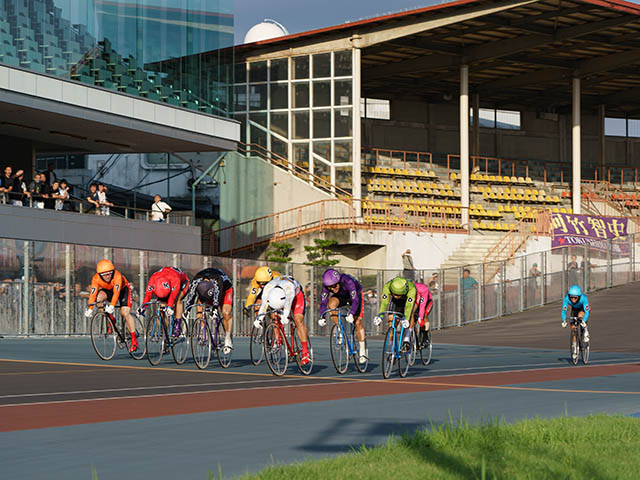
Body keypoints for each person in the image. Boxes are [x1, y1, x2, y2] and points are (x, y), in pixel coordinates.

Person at [85, 259, 139, 352]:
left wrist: (112, 305)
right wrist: (90, 308)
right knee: (98, 298)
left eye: (110, 273)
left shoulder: (117, 275)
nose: (108, 276)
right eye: (105, 275)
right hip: (108, 290)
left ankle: (134, 339)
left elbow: (116, 293)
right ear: (100, 275)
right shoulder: (95, 278)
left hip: (123, 290)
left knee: (124, 312)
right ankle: (110, 317)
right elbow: (93, 294)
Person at [258, 275, 311, 365]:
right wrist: (258, 319)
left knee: (298, 320)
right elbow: (263, 305)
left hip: (296, 296)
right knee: (274, 315)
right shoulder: (268, 289)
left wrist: (285, 316)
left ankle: (305, 352)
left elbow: (287, 305)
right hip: (278, 296)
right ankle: (279, 339)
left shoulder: (289, 289)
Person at [317, 268, 366, 363]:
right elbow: (323, 302)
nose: (332, 289)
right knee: (331, 305)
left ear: (339, 281)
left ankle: (363, 350)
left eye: (334, 285)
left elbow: (355, 300)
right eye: (329, 287)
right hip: (341, 297)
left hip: (355, 296)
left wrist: (351, 313)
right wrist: (322, 316)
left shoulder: (348, 281)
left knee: (357, 322)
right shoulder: (326, 286)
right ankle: (339, 329)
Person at [184, 268, 234, 353]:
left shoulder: (218, 281)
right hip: (206, 291)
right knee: (199, 306)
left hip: (225, 290)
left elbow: (217, 298)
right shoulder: (196, 280)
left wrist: (214, 309)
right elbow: (191, 296)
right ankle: (204, 331)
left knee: (226, 312)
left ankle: (228, 338)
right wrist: (187, 309)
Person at [138, 266, 190, 335]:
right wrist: (143, 307)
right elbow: (148, 295)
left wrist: (169, 307)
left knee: (177, 300)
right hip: (166, 281)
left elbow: (173, 295)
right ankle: (165, 332)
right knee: (161, 305)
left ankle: (178, 325)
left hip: (182, 282)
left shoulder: (175, 279)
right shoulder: (153, 279)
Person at [375, 276, 418, 351]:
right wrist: (380, 316)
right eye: (393, 294)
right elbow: (384, 302)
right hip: (395, 302)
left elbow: (409, 306)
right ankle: (392, 346)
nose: (395, 296)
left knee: (411, 313)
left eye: (397, 295)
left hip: (407, 300)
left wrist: (406, 319)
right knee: (391, 319)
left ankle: (407, 338)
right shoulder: (388, 286)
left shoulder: (412, 289)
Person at [414, 281, 434, 348]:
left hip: (427, 302)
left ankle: (425, 337)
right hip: (416, 303)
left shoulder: (422, 289)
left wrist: (421, 318)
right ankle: (415, 340)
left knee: (423, 316)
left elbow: (422, 306)